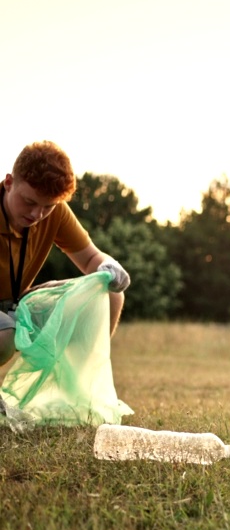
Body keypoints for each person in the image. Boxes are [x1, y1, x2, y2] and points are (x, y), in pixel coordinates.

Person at [1, 141, 131, 368]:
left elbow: (92, 259)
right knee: (3, 336)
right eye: (29, 201)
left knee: (112, 293)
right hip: (5, 322)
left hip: (16, 305)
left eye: (48, 206)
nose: (37, 214)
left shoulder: (56, 211)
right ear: (9, 182)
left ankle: (80, 384)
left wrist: (110, 266)